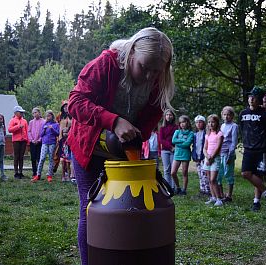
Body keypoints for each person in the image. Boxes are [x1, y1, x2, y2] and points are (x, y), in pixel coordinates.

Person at [67, 27, 175, 265]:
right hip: (89, 147)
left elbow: (148, 123)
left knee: (126, 208)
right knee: (92, 207)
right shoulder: (107, 64)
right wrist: (113, 121)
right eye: (144, 67)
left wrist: (135, 135)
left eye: (156, 71)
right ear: (132, 51)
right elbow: (75, 103)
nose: (148, 76)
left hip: (121, 151)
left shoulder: (158, 82)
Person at [239, 87, 266, 211]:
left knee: (258, 176)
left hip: (261, 150)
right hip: (248, 149)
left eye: (254, 97)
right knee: (245, 173)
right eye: (250, 96)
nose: (251, 99)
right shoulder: (243, 114)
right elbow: (242, 130)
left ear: (259, 99)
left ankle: (256, 202)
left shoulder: (265, 115)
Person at [31, 110, 60, 183]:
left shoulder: (56, 124)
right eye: (46, 116)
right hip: (44, 143)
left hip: (52, 143)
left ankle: (49, 175)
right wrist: (44, 129)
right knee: (42, 158)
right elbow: (41, 135)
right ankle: (38, 175)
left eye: (49, 115)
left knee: (51, 159)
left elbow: (57, 134)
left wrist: (52, 129)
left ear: (52, 116)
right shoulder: (44, 124)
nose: (48, 117)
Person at [217, 106, 238, 202]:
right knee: (219, 174)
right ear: (222, 115)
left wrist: (231, 154)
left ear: (232, 116)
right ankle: (221, 194)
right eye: (224, 115)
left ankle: (229, 195)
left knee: (228, 173)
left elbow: (233, 142)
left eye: (229, 115)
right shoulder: (221, 126)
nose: (226, 117)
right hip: (220, 152)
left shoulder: (234, 126)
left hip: (228, 153)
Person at [203, 114, 224, 206]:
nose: (211, 124)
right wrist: (207, 156)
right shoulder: (207, 134)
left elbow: (218, 147)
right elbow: (204, 148)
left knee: (213, 179)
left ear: (217, 123)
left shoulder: (219, 134)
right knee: (209, 179)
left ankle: (219, 199)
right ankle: (213, 197)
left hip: (215, 158)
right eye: (209, 122)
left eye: (213, 122)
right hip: (207, 158)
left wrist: (211, 157)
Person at [171, 115, 194, 195]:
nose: (182, 124)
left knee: (184, 172)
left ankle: (184, 190)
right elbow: (173, 141)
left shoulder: (191, 133)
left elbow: (187, 144)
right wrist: (182, 140)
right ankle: (178, 187)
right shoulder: (177, 132)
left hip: (186, 154)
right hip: (177, 154)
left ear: (187, 122)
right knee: (173, 172)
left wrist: (179, 143)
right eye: (180, 123)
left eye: (184, 122)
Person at [159, 109, 178, 189]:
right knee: (166, 170)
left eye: (170, 115)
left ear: (173, 116)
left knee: (173, 170)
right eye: (167, 115)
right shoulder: (162, 128)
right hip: (165, 151)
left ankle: (174, 187)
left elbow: (177, 138)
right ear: (165, 116)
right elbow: (161, 140)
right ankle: (168, 187)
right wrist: (170, 147)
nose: (168, 116)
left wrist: (174, 147)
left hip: (174, 150)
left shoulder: (176, 127)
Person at [8, 105, 28, 179]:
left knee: (21, 157)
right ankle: (16, 173)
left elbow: (27, 130)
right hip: (16, 140)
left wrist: (27, 141)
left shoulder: (24, 121)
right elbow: (9, 130)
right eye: (21, 112)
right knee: (16, 156)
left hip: (24, 141)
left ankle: (21, 172)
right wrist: (18, 126)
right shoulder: (12, 120)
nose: (22, 113)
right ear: (16, 113)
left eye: (22, 112)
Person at [192, 115, 210, 195]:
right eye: (197, 122)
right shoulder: (195, 134)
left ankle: (207, 189)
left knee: (205, 173)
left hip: (204, 156)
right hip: (197, 156)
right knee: (200, 173)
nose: (198, 124)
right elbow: (194, 146)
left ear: (204, 123)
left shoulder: (206, 133)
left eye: (200, 122)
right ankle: (202, 189)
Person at [57, 100, 72, 182]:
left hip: (69, 139)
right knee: (62, 159)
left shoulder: (72, 116)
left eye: (67, 106)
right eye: (64, 106)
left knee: (68, 159)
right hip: (61, 139)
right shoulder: (60, 116)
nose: (66, 108)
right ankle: (63, 176)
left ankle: (69, 175)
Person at [28, 107, 45, 180]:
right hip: (32, 142)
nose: (35, 114)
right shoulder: (31, 122)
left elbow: (44, 132)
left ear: (39, 113)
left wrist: (39, 140)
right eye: (33, 113)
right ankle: (34, 172)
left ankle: (39, 173)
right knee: (33, 158)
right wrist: (32, 140)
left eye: (36, 112)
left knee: (39, 158)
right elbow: (29, 131)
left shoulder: (43, 121)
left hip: (40, 142)